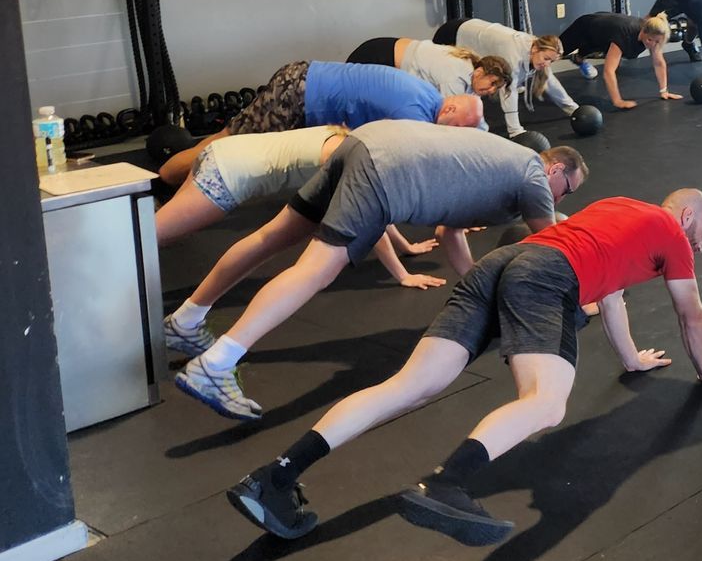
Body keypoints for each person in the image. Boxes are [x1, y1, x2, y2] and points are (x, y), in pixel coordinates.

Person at [223, 191, 702, 544]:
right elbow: (691, 312)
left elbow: (611, 297)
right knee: (546, 403)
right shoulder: (673, 236)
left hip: (499, 265)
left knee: (406, 386)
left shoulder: (619, 213)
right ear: (685, 218)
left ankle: (273, 477)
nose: (701, 244)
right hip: (545, 278)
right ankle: (447, 483)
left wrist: (632, 360)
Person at [169, 122, 587, 420]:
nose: (558, 200)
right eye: (566, 191)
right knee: (317, 268)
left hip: (367, 140)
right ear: (554, 170)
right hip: (388, 167)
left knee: (272, 236)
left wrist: (483, 292)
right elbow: (552, 246)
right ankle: (216, 364)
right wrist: (586, 297)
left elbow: (449, 233)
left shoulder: (502, 165)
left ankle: (187, 319)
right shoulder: (533, 176)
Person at [157, 124, 434, 279]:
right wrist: (403, 275)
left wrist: (405, 246)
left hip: (219, 150)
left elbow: (378, 208)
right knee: (145, 240)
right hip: (230, 173)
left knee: (154, 235)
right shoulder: (345, 155)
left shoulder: (342, 136)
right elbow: (369, 218)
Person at [156, 60, 483, 187]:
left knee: (227, 138)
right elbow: (410, 168)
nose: (451, 135)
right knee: (227, 145)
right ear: (451, 107)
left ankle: (169, 180)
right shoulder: (414, 113)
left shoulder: (430, 96)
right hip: (299, 92)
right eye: (456, 129)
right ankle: (164, 180)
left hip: (304, 79)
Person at [432, 18, 576, 137]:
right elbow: (508, 91)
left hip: (473, 29)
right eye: (546, 59)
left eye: (551, 61)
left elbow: (549, 80)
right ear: (535, 49)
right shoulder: (514, 53)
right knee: (446, 83)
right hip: (453, 33)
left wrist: (573, 108)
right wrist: (515, 131)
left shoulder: (539, 48)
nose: (547, 64)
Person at [346, 35, 512, 101]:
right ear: (479, 72)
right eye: (492, 83)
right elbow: (448, 120)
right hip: (376, 57)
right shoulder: (456, 75)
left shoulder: (470, 74)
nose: (491, 90)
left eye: (496, 88)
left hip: (383, 52)